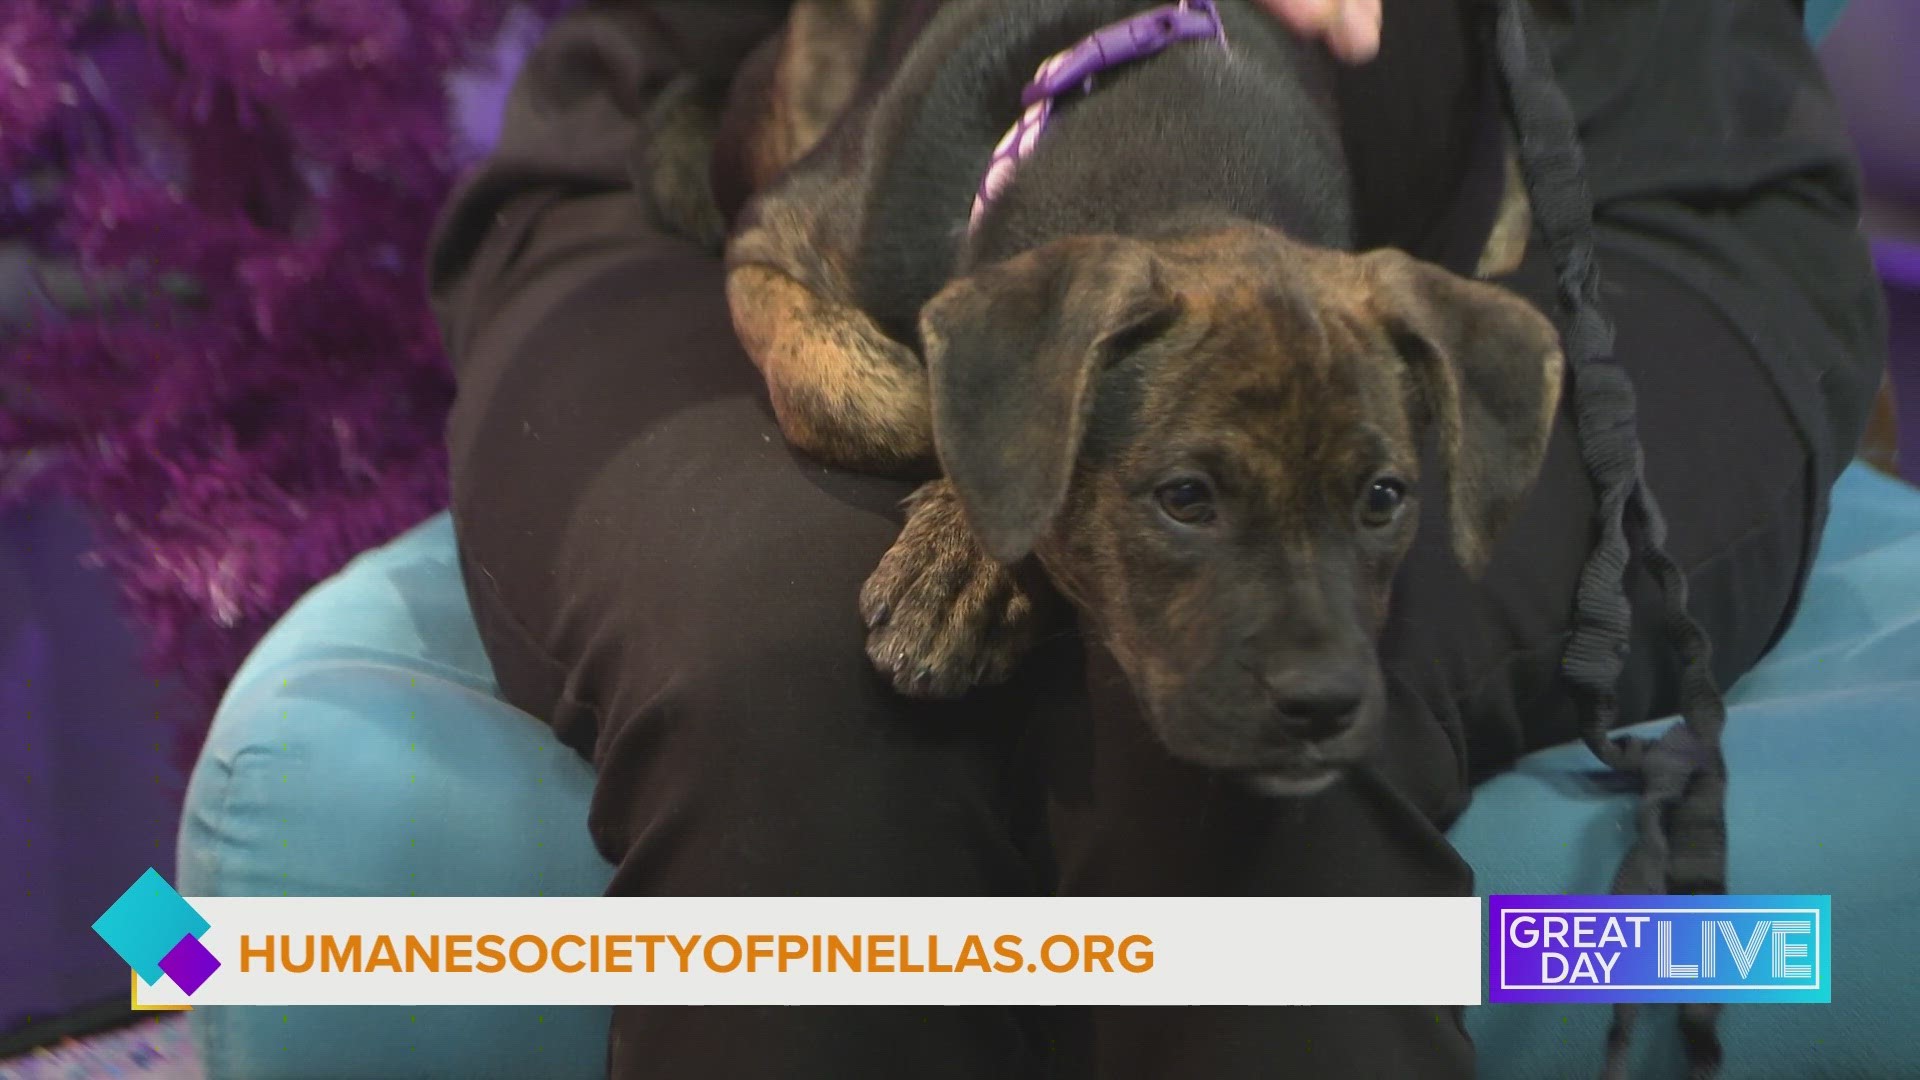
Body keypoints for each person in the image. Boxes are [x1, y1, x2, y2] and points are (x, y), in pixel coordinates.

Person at [427, 0, 1885, 1076]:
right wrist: (1009, 463)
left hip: (1597, 162)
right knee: (794, 678)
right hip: (750, 163)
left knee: (1283, 743)